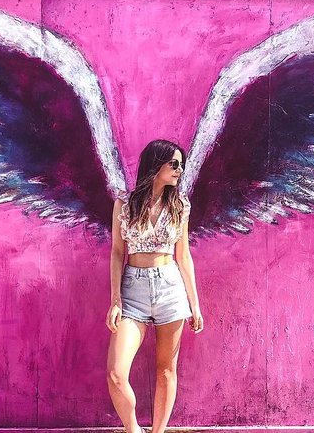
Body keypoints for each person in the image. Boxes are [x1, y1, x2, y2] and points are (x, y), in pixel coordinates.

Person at [106, 139, 204, 433]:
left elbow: (183, 256)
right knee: (116, 374)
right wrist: (115, 300)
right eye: (173, 164)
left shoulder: (180, 205)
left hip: (170, 288)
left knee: (166, 370)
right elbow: (117, 253)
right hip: (133, 289)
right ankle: (133, 429)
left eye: (181, 165)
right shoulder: (125, 204)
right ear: (155, 165)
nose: (179, 170)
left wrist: (195, 305)